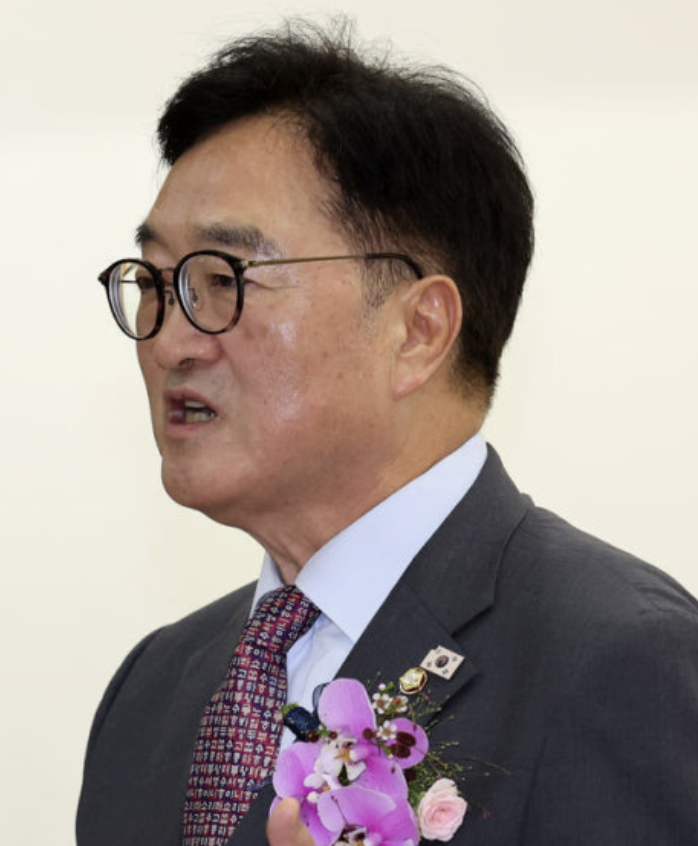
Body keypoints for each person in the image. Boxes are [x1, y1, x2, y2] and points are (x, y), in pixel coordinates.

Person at [77, 19, 698, 846]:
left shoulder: (620, 662)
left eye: (221, 278)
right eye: (155, 282)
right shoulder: (153, 689)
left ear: (418, 331)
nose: (168, 342)